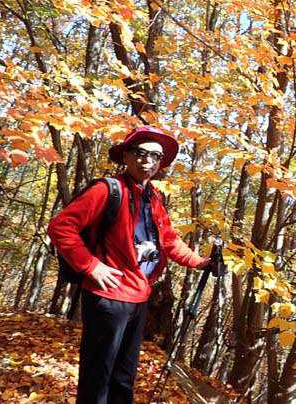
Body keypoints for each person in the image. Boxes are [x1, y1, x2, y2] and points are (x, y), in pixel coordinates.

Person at [47, 125, 210, 404]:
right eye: (141, 153)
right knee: (98, 375)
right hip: (107, 297)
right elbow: (61, 227)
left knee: (123, 376)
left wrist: (200, 262)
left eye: (156, 156)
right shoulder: (107, 190)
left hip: (138, 296)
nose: (148, 161)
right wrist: (90, 266)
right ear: (126, 156)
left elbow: (168, 239)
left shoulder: (153, 197)